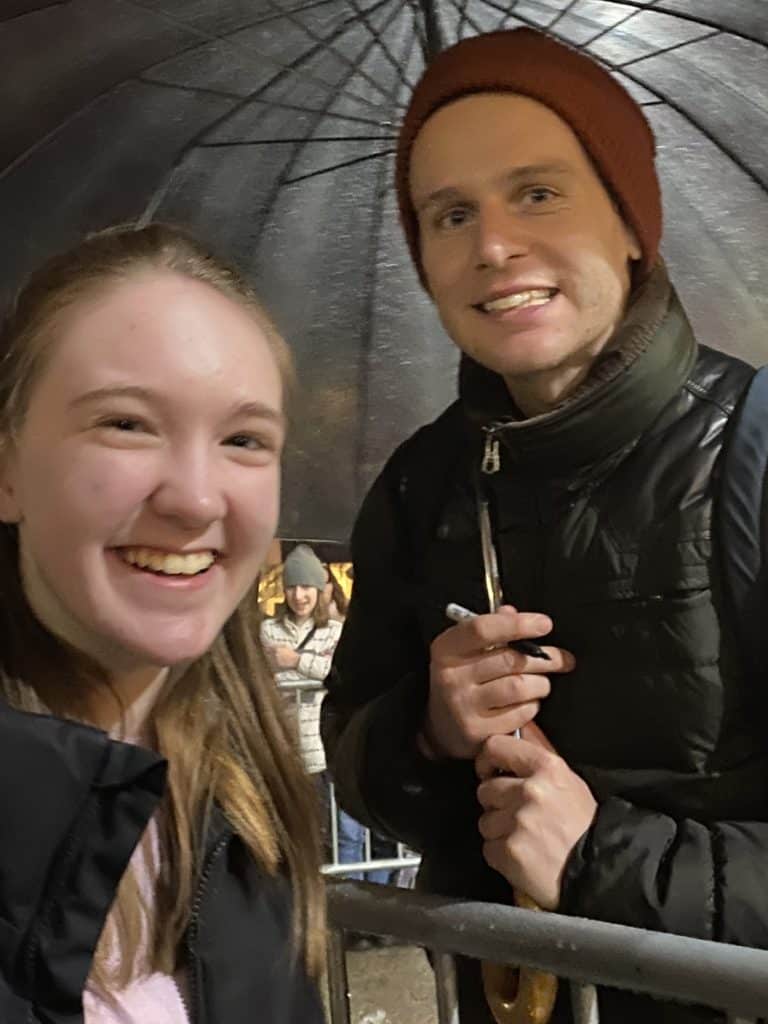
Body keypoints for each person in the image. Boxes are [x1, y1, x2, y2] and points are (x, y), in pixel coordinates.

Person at [322, 27, 768, 1024]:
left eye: (538, 192)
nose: (491, 246)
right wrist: (426, 731)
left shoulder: (754, 452)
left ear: (630, 222)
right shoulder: (417, 488)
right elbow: (356, 757)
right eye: (449, 213)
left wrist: (599, 857)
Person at [0, 223, 325, 1023]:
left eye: (245, 439)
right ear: (6, 470)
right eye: (126, 423)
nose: (195, 498)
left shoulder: (251, 806)